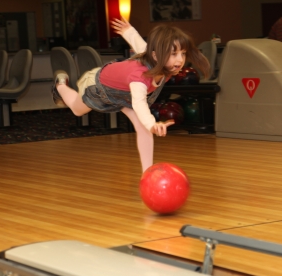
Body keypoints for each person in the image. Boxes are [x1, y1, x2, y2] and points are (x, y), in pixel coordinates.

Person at [52, 19, 210, 173]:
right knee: (77, 109)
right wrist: (152, 124)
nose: (180, 60)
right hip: (98, 87)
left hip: (124, 93)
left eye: (183, 53)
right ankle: (60, 84)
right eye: (174, 54)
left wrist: (128, 31)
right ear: (155, 56)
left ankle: (147, 174)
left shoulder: (161, 63)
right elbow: (139, 104)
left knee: (143, 128)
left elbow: (141, 45)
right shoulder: (139, 77)